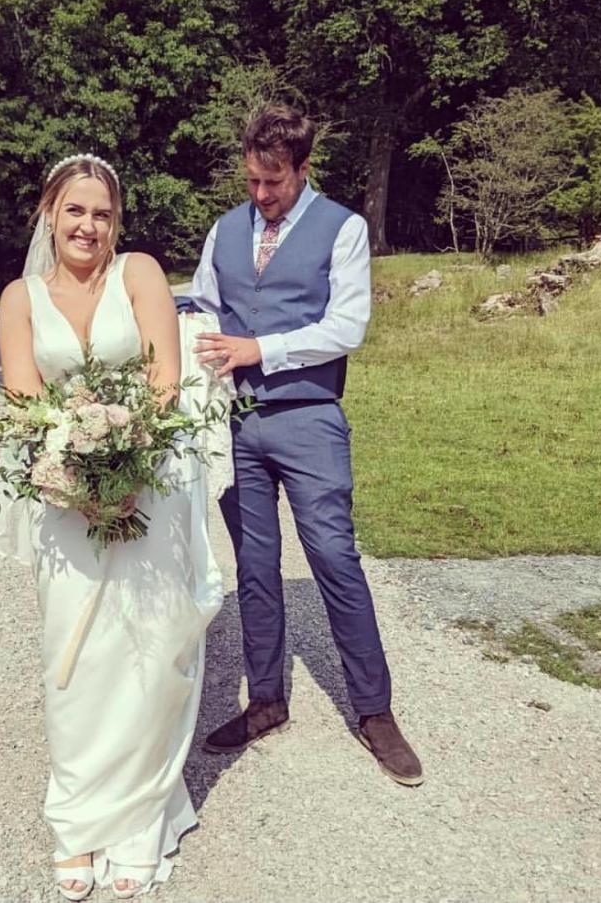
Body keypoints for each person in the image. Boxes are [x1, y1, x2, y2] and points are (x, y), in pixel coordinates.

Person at [0, 154, 223, 900]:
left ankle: (137, 823)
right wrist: (82, 480)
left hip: (149, 489)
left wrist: (126, 471)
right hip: (66, 502)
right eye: (74, 211)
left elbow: (165, 382)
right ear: (48, 215)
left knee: (149, 655)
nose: (88, 226)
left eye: (102, 213)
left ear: (115, 222)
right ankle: (79, 821)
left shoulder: (141, 275)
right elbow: (27, 403)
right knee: (78, 658)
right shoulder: (20, 298)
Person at [177, 105, 423, 787]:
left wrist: (264, 348)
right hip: (236, 425)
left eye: (275, 181)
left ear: (303, 169)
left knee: (335, 557)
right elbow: (201, 307)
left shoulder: (342, 228)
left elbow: (347, 325)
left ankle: (374, 711)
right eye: (253, 180)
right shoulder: (224, 230)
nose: (261, 194)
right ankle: (267, 700)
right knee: (255, 565)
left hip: (310, 416)